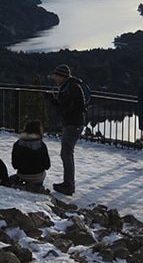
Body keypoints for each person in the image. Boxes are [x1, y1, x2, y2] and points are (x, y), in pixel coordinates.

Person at [49, 64, 86, 195]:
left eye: (56, 75)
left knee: (66, 154)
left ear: (62, 76)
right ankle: (67, 183)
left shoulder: (72, 88)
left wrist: (63, 108)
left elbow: (78, 106)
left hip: (73, 124)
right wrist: (56, 103)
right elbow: (66, 106)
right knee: (66, 153)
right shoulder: (69, 86)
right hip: (72, 124)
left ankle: (69, 185)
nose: (55, 78)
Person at [10, 119, 51, 191]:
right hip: (37, 177)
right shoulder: (41, 145)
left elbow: (15, 165)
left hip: (22, 175)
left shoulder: (17, 144)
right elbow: (47, 165)